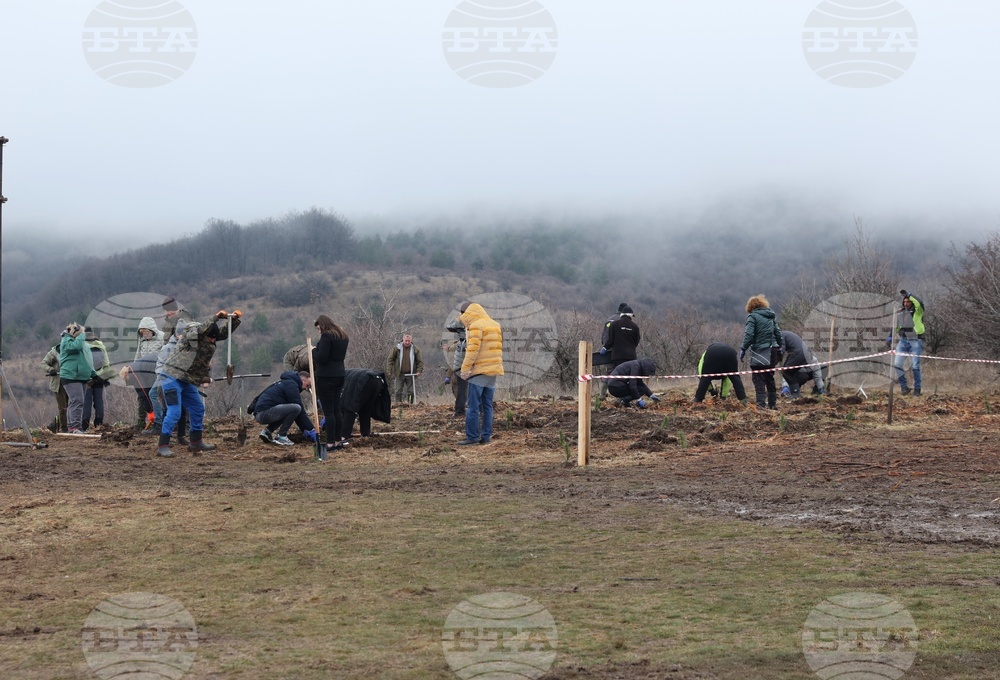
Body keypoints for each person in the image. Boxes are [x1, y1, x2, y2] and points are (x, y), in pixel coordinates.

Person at [157, 310, 241, 457]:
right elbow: (201, 330)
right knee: (175, 411)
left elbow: (221, 334)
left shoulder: (210, 338)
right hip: (171, 377)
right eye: (211, 338)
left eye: (214, 339)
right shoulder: (191, 336)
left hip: (187, 380)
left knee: (197, 408)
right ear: (205, 334)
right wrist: (215, 318)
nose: (213, 341)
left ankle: (196, 442)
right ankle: (163, 445)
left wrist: (233, 320)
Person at [457, 302, 504, 445]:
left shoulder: (476, 326)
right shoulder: (495, 324)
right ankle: (486, 436)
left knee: (473, 406)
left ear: (467, 315)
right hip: (493, 370)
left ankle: (472, 437)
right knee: (487, 406)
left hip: (479, 371)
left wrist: (465, 369)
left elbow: (473, 350)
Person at [313, 315, 349, 454]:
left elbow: (322, 358)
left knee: (329, 412)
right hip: (339, 374)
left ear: (323, 325)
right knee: (336, 410)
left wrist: (313, 350)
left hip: (326, 376)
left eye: (319, 329)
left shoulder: (327, 336)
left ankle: (330, 442)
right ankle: (338, 440)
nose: (319, 331)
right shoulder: (343, 336)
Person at [740, 294, 783, 410]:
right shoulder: (770, 316)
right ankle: (772, 404)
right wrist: (780, 347)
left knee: (758, 376)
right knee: (769, 376)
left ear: (750, 307)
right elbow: (778, 333)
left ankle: (761, 405)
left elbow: (749, 335)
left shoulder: (752, 317)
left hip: (760, 350)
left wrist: (743, 348)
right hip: (773, 349)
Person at [254, 371, 316, 446]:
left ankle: (267, 432)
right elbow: (299, 411)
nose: (306, 388)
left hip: (261, 413)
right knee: (296, 408)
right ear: (303, 380)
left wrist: (251, 408)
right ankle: (281, 436)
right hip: (264, 412)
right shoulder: (291, 385)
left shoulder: (286, 382)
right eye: (307, 385)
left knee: (288, 410)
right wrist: (310, 429)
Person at [58, 322, 96, 434]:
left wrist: (93, 374)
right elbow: (75, 347)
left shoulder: (82, 344)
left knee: (75, 402)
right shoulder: (66, 341)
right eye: (81, 334)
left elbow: (88, 360)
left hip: (81, 377)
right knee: (77, 400)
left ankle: (72, 427)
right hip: (71, 376)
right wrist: (81, 334)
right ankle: (75, 427)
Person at [130, 317, 164, 432]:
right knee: (142, 397)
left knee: (156, 396)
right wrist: (134, 368)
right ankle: (141, 421)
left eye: (146, 332)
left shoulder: (162, 337)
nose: (145, 334)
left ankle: (159, 421)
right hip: (143, 372)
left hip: (156, 372)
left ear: (152, 330)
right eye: (143, 333)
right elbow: (138, 355)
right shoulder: (142, 340)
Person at [340, 368, 391, 441]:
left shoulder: (337, 380)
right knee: (366, 409)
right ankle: (365, 434)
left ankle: (344, 437)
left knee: (350, 407)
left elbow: (346, 408)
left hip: (364, 380)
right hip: (378, 379)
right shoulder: (342, 375)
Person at [891, 289, 925, 396]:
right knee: (897, 364)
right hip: (903, 341)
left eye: (908, 301)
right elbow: (897, 326)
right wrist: (890, 336)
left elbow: (919, 303)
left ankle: (917, 389)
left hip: (916, 340)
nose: (906, 303)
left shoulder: (918, 312)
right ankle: (904, 387)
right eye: (904, 302)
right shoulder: (902, 313)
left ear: (912, 302)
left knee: (915, 366)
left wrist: (908, 295)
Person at [81, 327, 116, 430]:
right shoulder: (100, 345)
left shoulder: (82, 345)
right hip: (100, 377)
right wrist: (104, 376)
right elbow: (106, 363)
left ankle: (85, 425)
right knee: (99, 400)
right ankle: (99, 423)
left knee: (87, 401)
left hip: (87, 378)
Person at [779, 331, 825, 398]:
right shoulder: (798, 360)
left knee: (824, 369)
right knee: (794, 374)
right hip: (800, 376)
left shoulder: (814, 361)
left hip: (807, 374)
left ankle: (816, 390)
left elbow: (818, 376)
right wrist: (785, 386)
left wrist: (821, 388)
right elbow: (787, 372)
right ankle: (793, 390)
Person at [597, 303, 630, 397]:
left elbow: (604, 334)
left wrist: (605, 346)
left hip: (607, 349)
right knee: (622, 372)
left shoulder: (609, 319)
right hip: (619, 351)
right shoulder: (622, 320)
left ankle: (602, 394)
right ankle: (622, 396)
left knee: (609, 371)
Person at [387, 334, 423, 404]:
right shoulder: (397, 348)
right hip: (399, 374)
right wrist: (389, 370)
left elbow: (420, 361)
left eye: (408, 341)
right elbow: (390, 359)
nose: (407, 342)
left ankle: (410, 404)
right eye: (406, 341)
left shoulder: (415, 349)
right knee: (398, 391)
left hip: (411, 374)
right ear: (403, 340)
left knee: (411, 392)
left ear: (411, 340)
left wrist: (419, 371)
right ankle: (398, 404)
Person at [42, 341, 68, 433]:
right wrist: (51, 369)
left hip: (70, 381)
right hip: (58, 383)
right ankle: (64, 428)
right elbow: (44, 363)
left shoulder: (72, 351)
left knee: (71, 405)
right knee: (63, 407)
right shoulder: (53, 353)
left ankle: (55, 425)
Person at [447, 324, 468, 417]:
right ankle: (461, 410)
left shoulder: (464, 343)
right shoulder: (460, 343)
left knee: (462, 390)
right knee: (462, 390)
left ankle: (461, 410)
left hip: (463, 369)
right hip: (460, 369)